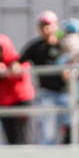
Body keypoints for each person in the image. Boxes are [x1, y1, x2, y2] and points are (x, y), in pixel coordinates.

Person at [20, 10, 68, 145]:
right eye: (42, 26)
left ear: (56, 26)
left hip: (67, 91)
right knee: (48, 131)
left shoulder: (65, 43)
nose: (46, 29)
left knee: (72, 125)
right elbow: (18, 61)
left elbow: (77, 57)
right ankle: (48, 155)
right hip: (47, 93)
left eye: (49, 25)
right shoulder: (35, 47)